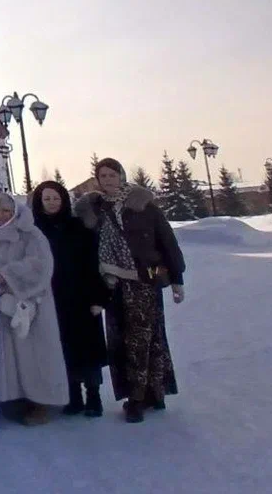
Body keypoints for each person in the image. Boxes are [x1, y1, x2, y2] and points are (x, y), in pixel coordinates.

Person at [75, 158, 185, 423]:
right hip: (113, 283)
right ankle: (147, 393)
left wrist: (176, 279)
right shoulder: (95, 208)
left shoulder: (142, 204)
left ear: (121, 176)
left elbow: (166, 240)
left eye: (112, 175)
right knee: (123, 340)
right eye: (103, 176)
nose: (108, 180)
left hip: (144, 280)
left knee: (144, 339)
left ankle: (140, 398)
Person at [0, 192, 69, 425]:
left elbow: (40, 265)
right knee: (9, 355)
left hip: (31, 302)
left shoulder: (30, 234)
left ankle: (42, 402)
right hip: (1, 303)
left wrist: (7, 275)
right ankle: (15, 399)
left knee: (35, 355)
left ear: (14, 212)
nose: (0, 215)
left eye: (6, 211)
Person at [31, 180, 109, 418]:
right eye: (47, 198)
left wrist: (97, 297)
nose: (52, 203)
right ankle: (72, 395)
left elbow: (93, 263)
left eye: (56, 198)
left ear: (64, 200)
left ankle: (93, 396)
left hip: (81, 297)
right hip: (51, 298)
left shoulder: (78, 227)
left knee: (87, 348)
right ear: (39, 202)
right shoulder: (34, 231)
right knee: (61, 347)